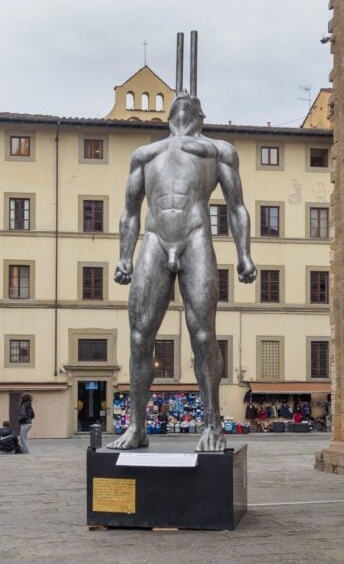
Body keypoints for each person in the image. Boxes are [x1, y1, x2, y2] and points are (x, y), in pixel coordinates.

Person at [109, 43, 256, 452]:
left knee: (203, 333)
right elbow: (129, 212)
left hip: (195, 236)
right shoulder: (145, 154)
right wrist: (123, 255)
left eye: (190, 99)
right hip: (155, 240)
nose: (184, 98)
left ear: (201, 115)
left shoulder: (218, 149)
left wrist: (244, 253)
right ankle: (137, 427)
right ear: (170, 111)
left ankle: (212, 423)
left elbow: (237, 206)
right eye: (179, 98)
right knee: (140, 337)